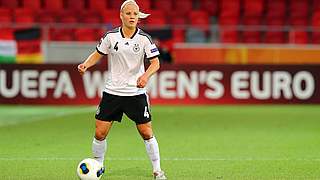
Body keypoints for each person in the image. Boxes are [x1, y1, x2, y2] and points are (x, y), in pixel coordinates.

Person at [77, 0, 166, 179]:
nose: (132, 17)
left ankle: (157, 170)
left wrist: (145, 76)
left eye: (135, 14)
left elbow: (155, 62)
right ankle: (98, 166)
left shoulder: (144, 39)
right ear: (121, 15)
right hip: (112, 92)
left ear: (138, 17)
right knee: (99, 132)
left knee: (146, 132)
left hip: (135, 93)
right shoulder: (110, 37)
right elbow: (98, 53)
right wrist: (86, 64)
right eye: (128, 13)